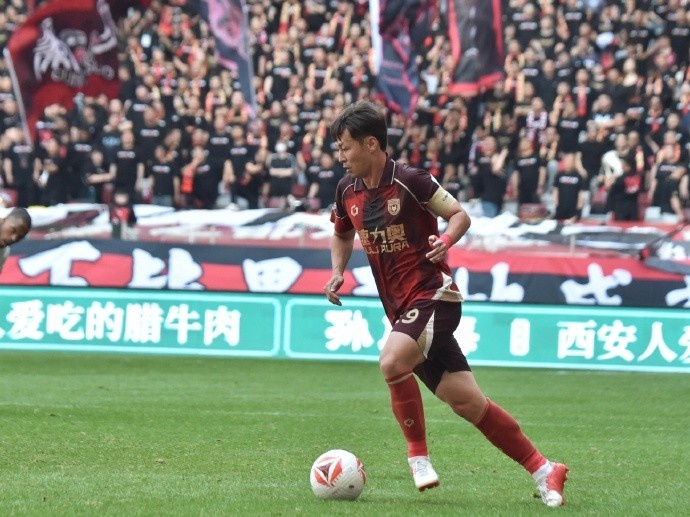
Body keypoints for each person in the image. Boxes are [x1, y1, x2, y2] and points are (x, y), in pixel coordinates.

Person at [324, 101, 569, 507]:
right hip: (403, 313)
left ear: (371, 144)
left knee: (391, 361)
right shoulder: (346, 191)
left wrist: (446, 240)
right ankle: (545, 469)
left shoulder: (411, 181)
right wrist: (337, 270)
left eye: (345, 146)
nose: (340, 156)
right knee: (468, 402)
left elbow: (459, 215)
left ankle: (417, 456)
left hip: (436, 297)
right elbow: (342, 232)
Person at [0, 207, 33, 272]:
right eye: (13, 230)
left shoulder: (4, 252)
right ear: (3, 220)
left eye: (19, 237)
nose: (13, 238)